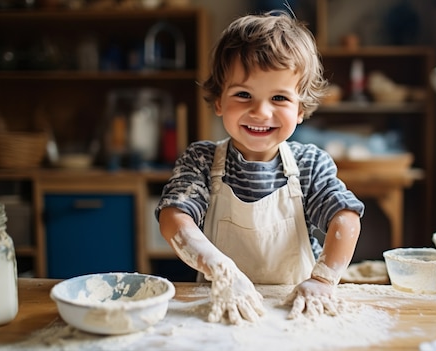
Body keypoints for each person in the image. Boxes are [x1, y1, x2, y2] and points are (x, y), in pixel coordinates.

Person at [156, 10, 365, 324]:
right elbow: (175, 219)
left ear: (300, 109)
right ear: (218, 102)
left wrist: (322, 281)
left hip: (293, 310)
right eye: (243, 94)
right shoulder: (200, 160)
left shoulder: (310, 165)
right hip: (222, 309)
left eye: (279, 97)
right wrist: (221, 269)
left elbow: (346, 220)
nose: (260, 111)